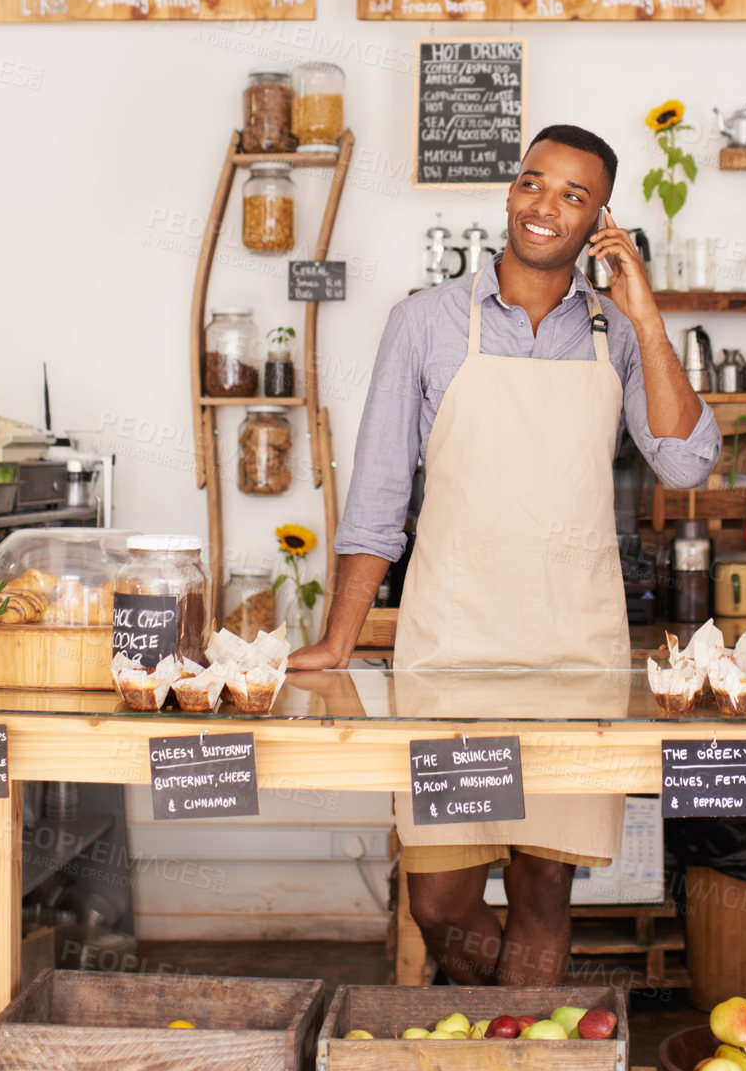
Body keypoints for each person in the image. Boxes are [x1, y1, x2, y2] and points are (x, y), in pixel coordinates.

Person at [291, 123, 719, 984]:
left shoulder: (618, 334)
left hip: (573, 659)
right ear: (510, 193)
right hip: (453, 654)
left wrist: (645, 310)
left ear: (602, 220)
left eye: (573, 195)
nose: (544, 206)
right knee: (440, 901)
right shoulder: (424, 322)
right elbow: (378, 496)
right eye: (533, 183)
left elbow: (687, 457)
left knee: (543, 894)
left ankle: (522, 1069)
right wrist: (339, 637)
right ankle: (503, 1036)